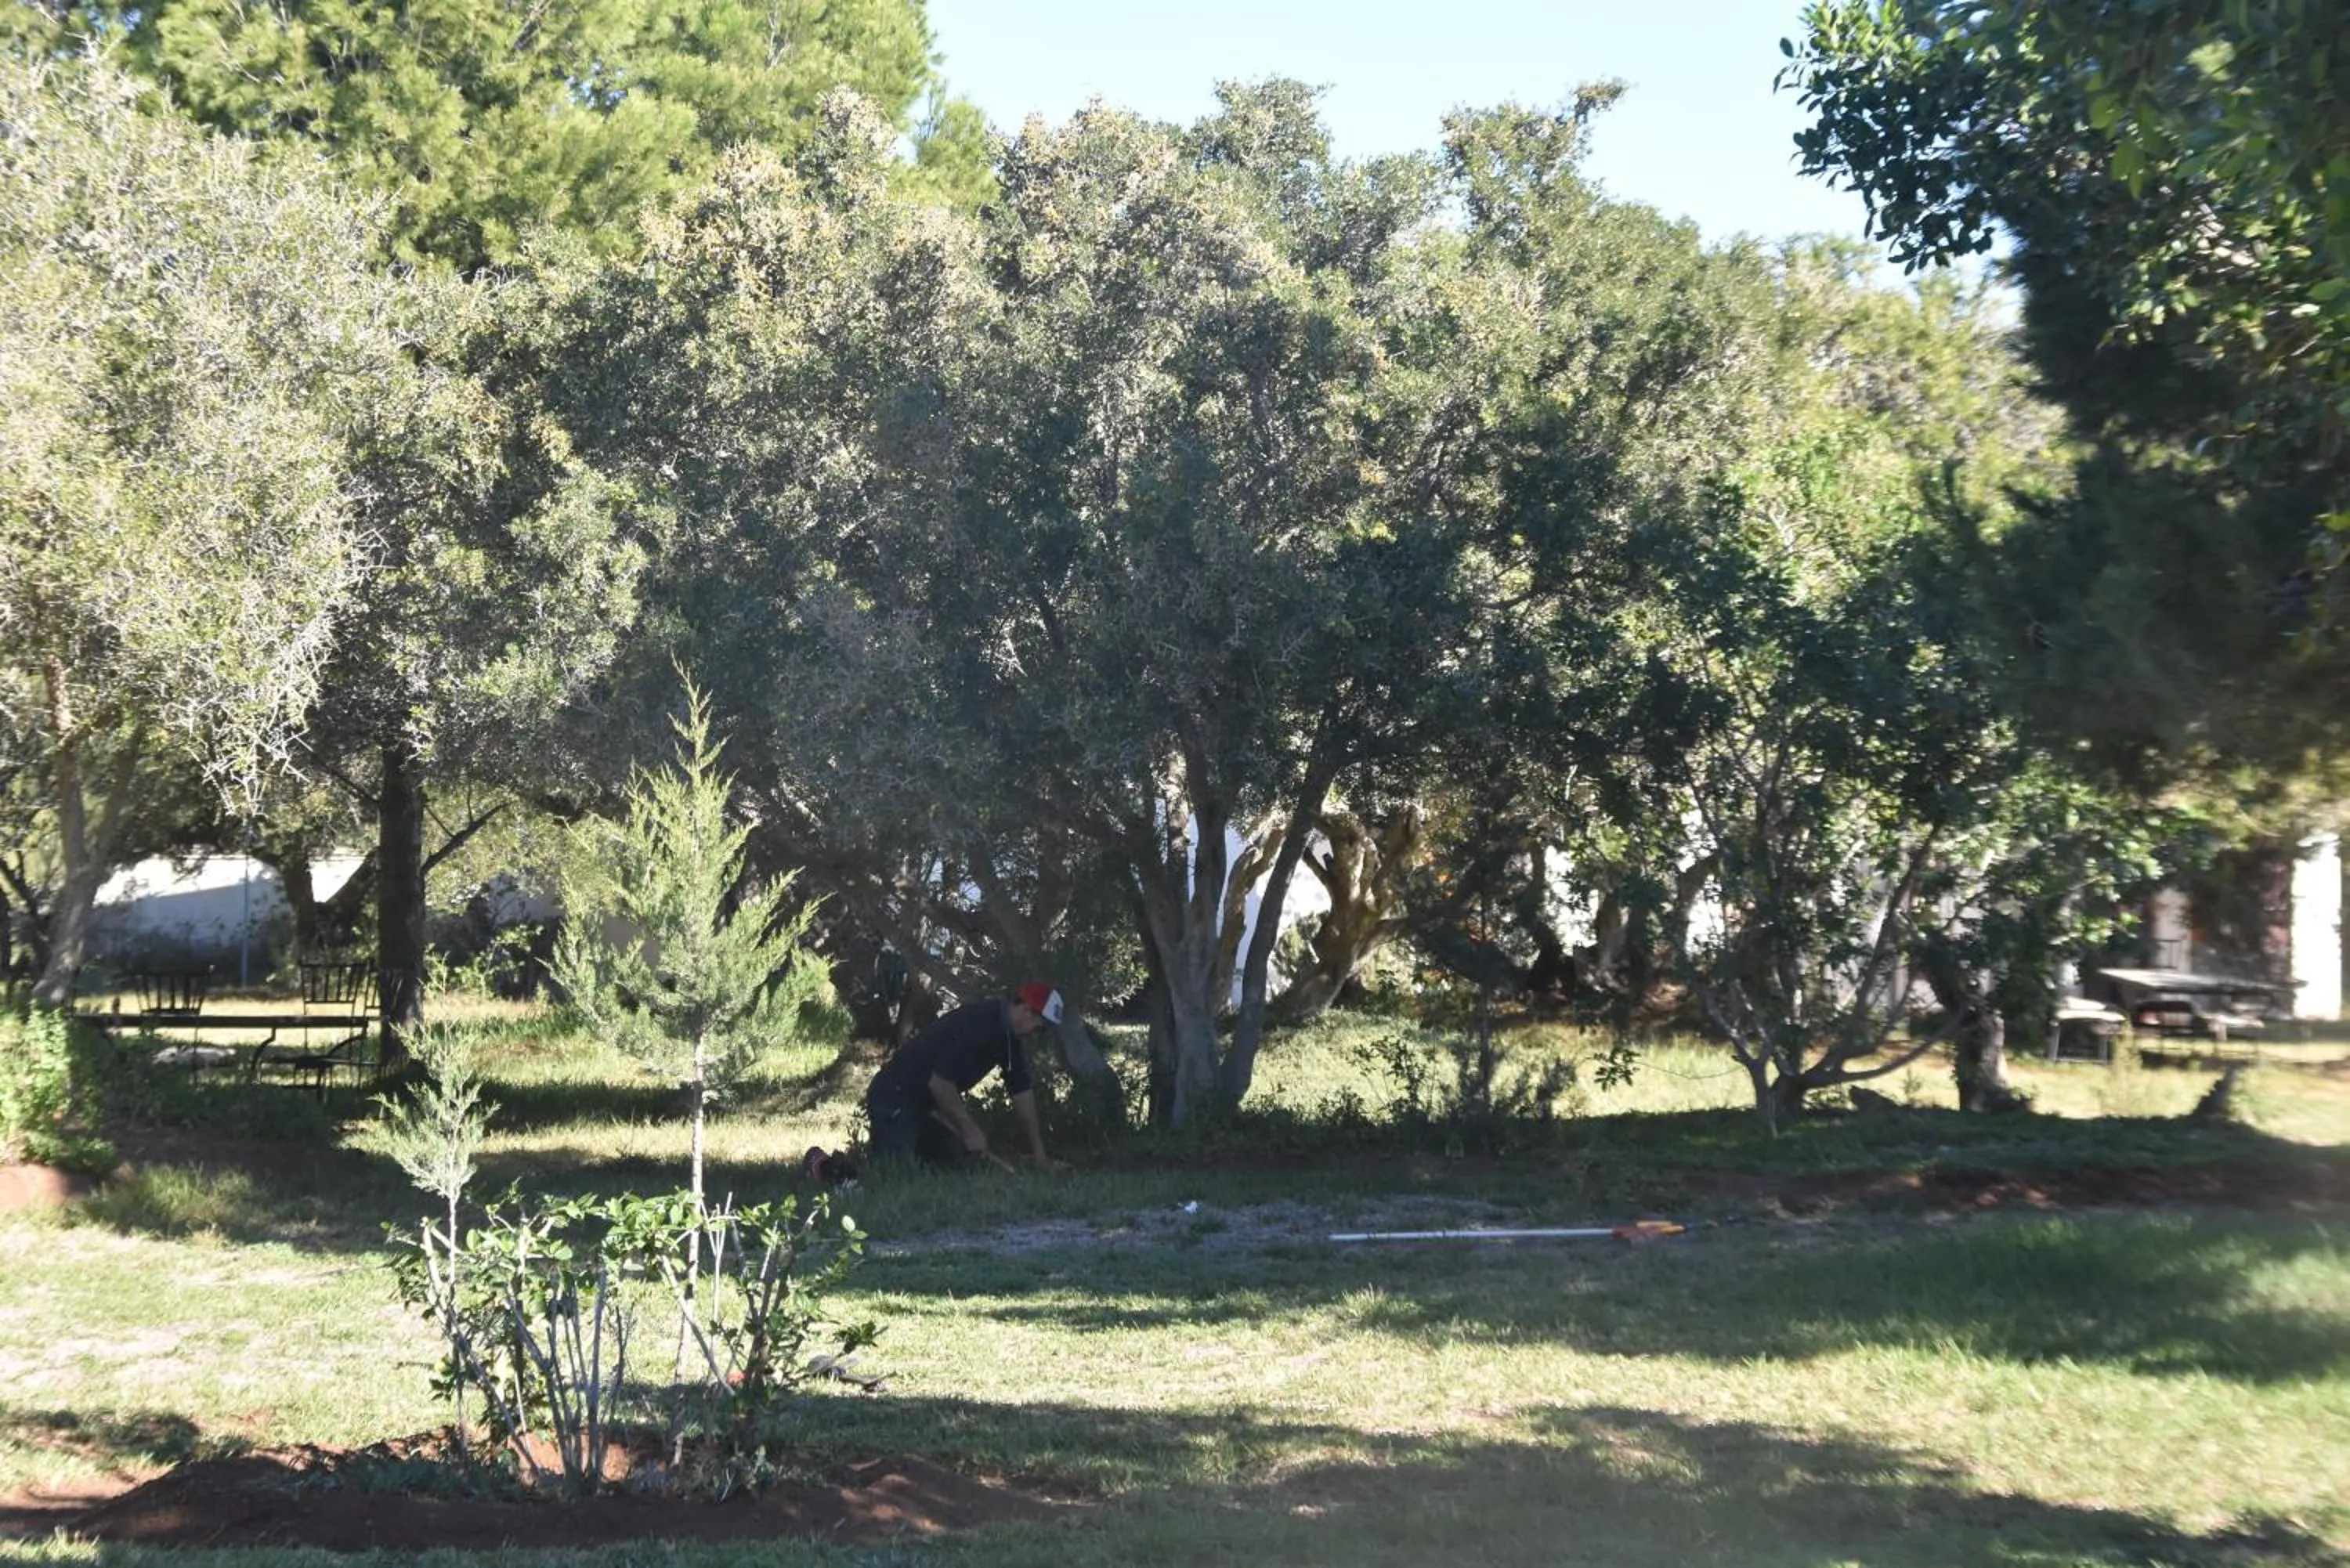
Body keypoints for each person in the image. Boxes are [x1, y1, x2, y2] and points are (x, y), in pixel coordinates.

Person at [864, 982, 1068, 1171]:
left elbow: (1021, 1091)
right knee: (896, 1173)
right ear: (1026, 1011)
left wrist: (1040, 1154)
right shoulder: (980, 1023)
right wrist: (969, 1128)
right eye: (1040, 1029)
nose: (1037, 1035)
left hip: (925, 1107)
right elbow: (940, 1083)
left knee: (955, 1167)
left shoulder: (1010, 1039)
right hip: (894, 1096)